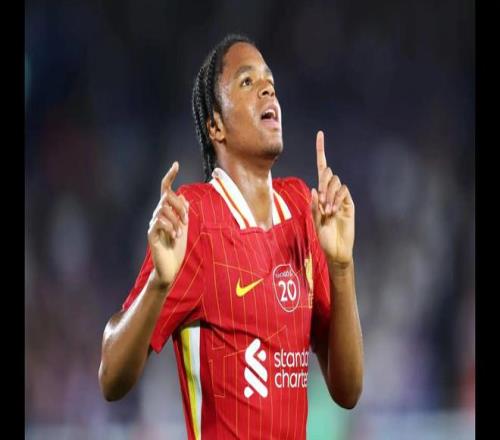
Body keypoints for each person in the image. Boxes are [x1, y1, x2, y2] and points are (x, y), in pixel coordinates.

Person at [98, 33, 364, 439]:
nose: (267, 88)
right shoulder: (197, 217)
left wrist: (341, 267)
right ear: (216, 126)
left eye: (269, 81)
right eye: (247, 81)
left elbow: (348, 391)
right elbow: (111, 378)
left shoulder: (301, 209)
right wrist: (158, 284)